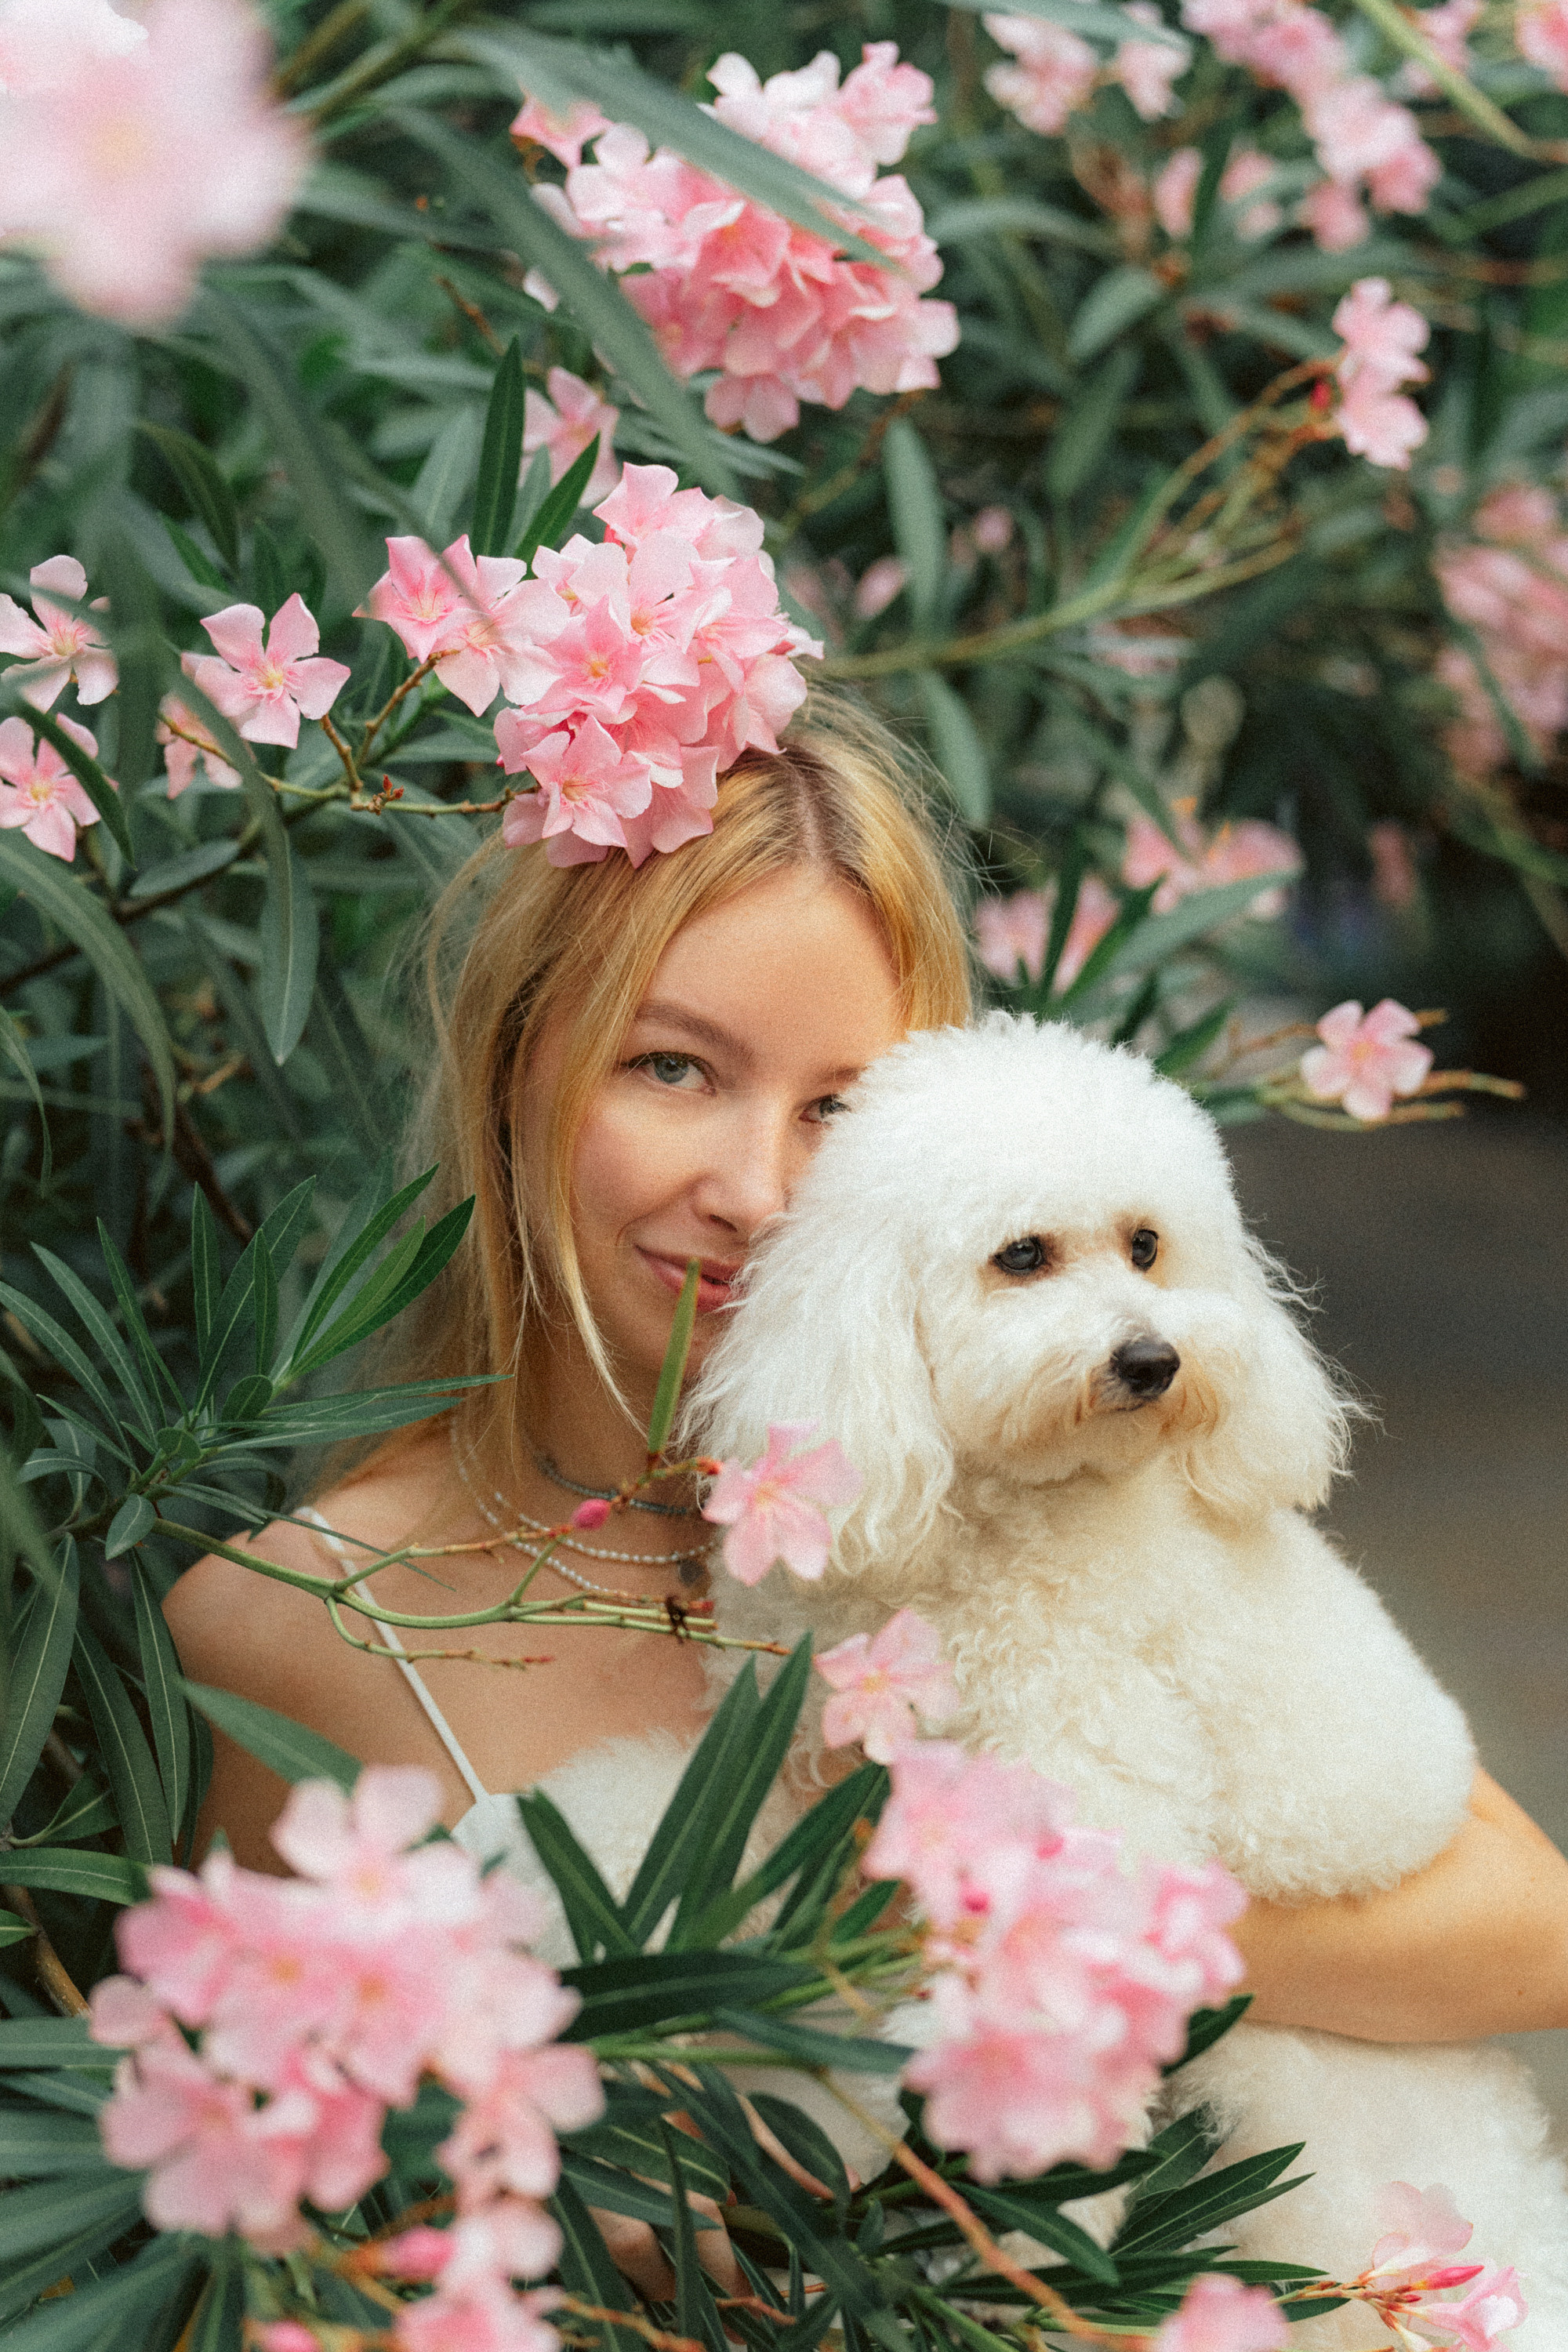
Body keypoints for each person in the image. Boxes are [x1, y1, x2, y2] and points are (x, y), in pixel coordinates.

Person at [165, 695, 1568, 2264]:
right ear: (519, 1066)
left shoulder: (1069, 1499)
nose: (759, 1191)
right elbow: (283, 2218)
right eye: (674, 1069)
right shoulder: (287, 1623)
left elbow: (1533, 1940)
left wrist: (986, 1925)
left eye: (841, 1106)